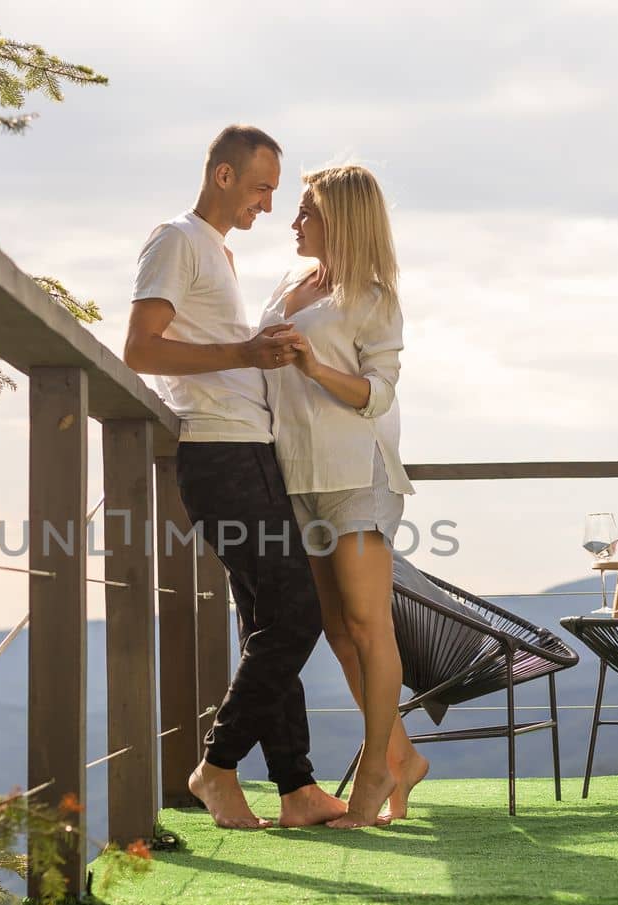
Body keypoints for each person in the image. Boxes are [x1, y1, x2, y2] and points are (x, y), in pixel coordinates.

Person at [124, 125, 348, 829]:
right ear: (223, 176)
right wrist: (247, 352)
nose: (268, 203)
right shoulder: (178, 239)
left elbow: (206, 349)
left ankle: (296, 788)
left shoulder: (215, 252)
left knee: (267, 620)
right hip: (220, 455)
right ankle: (216, 768)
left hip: (251, 451)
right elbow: (139, 348)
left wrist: (258, 356)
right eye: (260, 187)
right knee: (299, 613)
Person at [261, 164, 429, 828]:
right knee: (335, 628)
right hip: (296, 475)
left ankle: (374, 774)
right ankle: (403, 756)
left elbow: (377, 392)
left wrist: (313, 365)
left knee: (367, 625)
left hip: (357, 478)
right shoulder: (287, 286)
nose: (294, 221)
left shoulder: (373, 297)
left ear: (342, 220)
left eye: (306, 211)